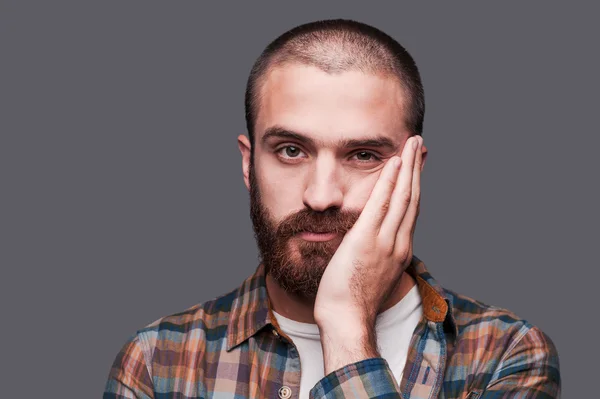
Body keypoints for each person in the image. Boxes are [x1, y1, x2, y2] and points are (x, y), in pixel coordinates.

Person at [103, 19, 560, 399]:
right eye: (290, 151)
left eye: (362, 154)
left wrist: (347, 326)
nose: (321, 196)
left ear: (413, 172)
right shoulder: (159, 362)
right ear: (249, 164)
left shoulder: (504, 354)